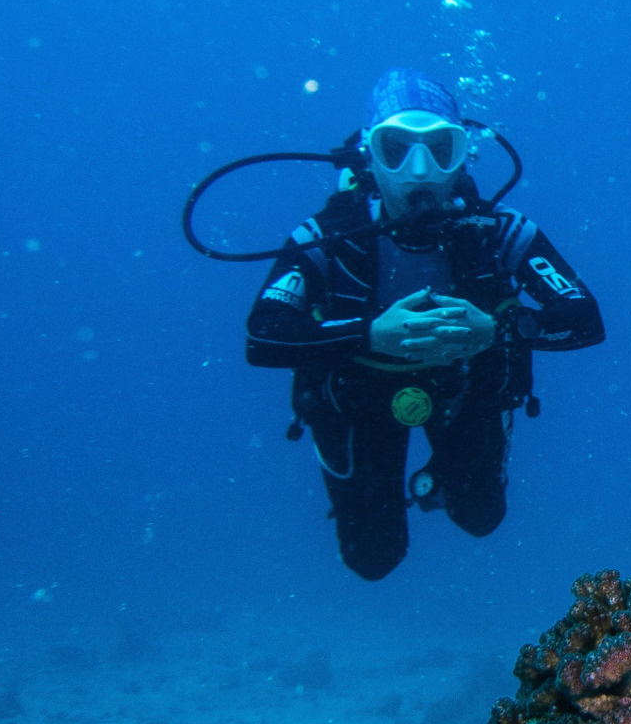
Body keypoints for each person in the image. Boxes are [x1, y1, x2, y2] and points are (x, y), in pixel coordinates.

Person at [245, 69, 604, 579]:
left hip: (464, 390)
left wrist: (497, 331)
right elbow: (262, 335)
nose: (420, 171)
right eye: (396, 149)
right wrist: (370, 334)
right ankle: (416, 481)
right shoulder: (327, 238)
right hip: (357, 402)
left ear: (464, 156)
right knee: (373, 558)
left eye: (440, 148)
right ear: (370, 155)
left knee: (480, 518)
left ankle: (442, 477)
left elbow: (585, 319)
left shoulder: (499, 233)